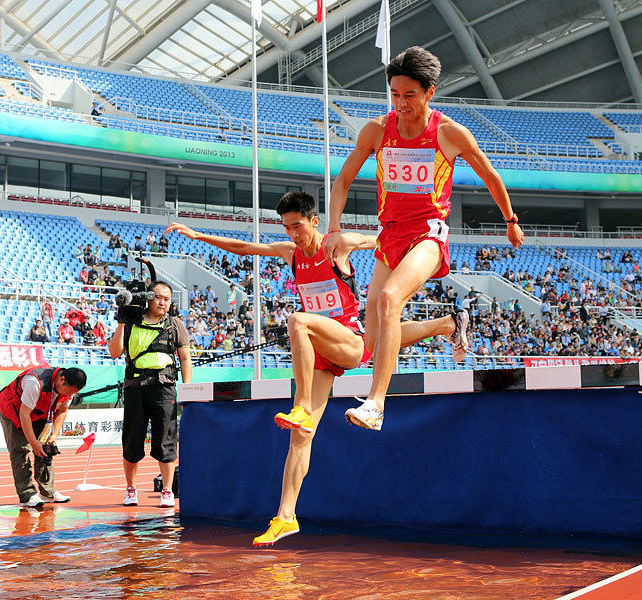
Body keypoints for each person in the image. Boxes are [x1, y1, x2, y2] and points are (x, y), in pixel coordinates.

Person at [168, 191, 464, 547]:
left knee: (298, 321)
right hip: (323, 350)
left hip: (350, 340)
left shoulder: (337, 246)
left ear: (313, 221)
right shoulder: (290, 253)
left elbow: (382, 241)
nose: (293, 234)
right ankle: (286, 517)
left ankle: (301, 406)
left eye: (298, 226)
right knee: (300, 437)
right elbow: (246, 249)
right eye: (287, 227)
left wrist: (413, 257)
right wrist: (199, 237)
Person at [323, 47, 523, 430]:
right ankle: (446, 324)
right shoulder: (377, 131)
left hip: (428, 234)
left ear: (430, 92)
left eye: (409, 95)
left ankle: (376, 404)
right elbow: (343, 181)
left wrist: (510, 220)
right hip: (390, 236)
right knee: (374, 338)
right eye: (394, 94)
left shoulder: (449, 133)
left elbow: (491, 176)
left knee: (389, 298)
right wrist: (334, 229)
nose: (400, 104)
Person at [108, 281, 192, 509]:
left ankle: (167, 489)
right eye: (158, 297)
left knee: (166, 440)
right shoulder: (132, 321)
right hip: (135, 387)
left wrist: (187, 389)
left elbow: (185, 358)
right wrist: (122, 322)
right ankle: (131, 488)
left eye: (167, 298)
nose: (163, 302)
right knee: (132, 441)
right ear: (148, 297)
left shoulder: (175, 324)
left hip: (164, 388)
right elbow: (115, 352)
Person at [0, 366, 87, 507]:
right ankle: (27, 494)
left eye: (72, 393)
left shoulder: (69, 390)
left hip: (40, 413)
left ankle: (48, 492)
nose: (68, 395)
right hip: (14, 410)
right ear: (61, 379)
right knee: (20, 451)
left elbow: (62, 410)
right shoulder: (35, 382)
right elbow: (24, 414)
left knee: (46, 449)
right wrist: (33, 442)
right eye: (68, 392)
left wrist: (54, 435)